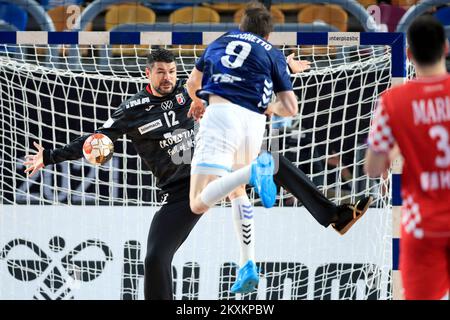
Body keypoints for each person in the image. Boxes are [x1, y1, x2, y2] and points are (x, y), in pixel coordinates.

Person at [23, 47, 371, 299]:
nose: (168, 77)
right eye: (161, 72)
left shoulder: (192, 94)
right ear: (148, 73)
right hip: (179, 192)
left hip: (215, 167)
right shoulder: (132, 110)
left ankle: (334, 216)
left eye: (172, 71)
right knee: (156, 257)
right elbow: (94, 139)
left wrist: (287, 69)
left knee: (273, 162)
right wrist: (49, 157)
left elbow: (245, 76)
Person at [364, 15, 450, 300]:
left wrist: (398, 149)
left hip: (422, 226)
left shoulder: (392, 101)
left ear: (409, 54)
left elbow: (373, 168)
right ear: (446, 47)